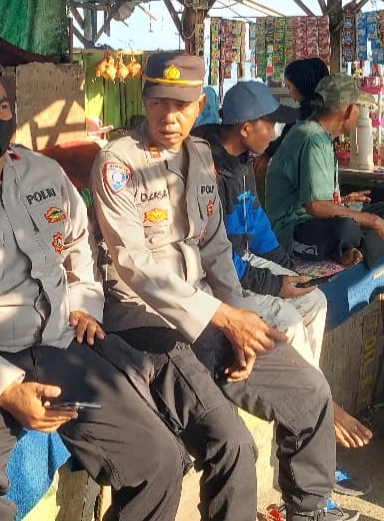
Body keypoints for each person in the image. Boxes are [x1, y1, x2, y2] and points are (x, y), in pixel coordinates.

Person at [0, 60, 186, 521]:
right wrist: (6, 391)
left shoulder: (43, 173)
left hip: (60, 346)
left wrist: (84, 304)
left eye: (1, 106)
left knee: (159, 459)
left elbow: (78, 243)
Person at [90, 52, 358, 521]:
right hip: (144, 320)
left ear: (199, 107)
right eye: (158, 102)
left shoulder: (200, 157)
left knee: (310, 390)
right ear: (144, 100)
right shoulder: (118, 163)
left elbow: (214, 248)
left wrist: (239, 322)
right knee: (232, 445)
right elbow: (135, 265)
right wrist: (224, 318)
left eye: (181, 105)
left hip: (210, 312)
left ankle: (308, 509)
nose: (169, 116)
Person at [192, 80, 374, 463]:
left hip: (243, 261)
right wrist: (275, 283)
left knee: (315, 300)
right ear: (246, 128)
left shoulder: (243, 161)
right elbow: (216, 258)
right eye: (269, 124)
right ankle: (315, 409)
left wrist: (287, 269)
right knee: (288, 319)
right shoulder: (207, 168)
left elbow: (256, 223)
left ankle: (311, 397)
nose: (275, 132)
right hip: (212, 278)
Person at [265, 74, 384, 268]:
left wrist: (343, 200)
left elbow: (314, 197)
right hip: (294, 230)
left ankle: (353, 251)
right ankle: (352, 248)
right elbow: (315, 206)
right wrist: (374, 221)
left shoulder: (319, 135)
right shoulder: (312, 140)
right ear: (350, 110)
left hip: (317, 220)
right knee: (346, 228)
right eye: (358, 107)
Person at [265, 57, 331, 158]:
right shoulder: (324, 109)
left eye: (289, 87)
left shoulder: (306, 116)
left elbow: (286, 137)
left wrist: (267, 154)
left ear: (301, 84)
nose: (289, 93)